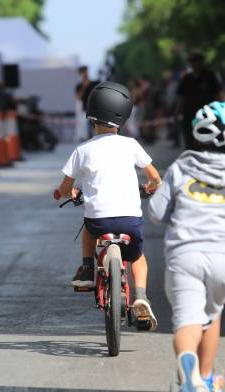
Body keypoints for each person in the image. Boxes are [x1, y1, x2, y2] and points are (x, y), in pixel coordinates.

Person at [146, 101, 225, 392]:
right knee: (211, 315)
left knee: (187, 320)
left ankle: (189, 368)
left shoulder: (181, 167)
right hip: (223, 259)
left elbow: (156, 213)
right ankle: (207, 379)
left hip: (184, 256)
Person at [55, 81, 162, 331]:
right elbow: (155, 177)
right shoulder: (131, 145)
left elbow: (64, 187)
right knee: (137, 257)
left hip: (99, 221)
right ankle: (142, 296)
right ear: (124, 117)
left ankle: (87, 268)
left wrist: (65, 193)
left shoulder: (83, 150)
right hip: (130, 221)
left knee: (88, 228)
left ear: (91, 117)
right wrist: (150, 187)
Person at [176, 52, 223, 149]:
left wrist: (219, 111)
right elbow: (181, 97)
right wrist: (177, 112)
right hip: (189, 115)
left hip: (207, 115)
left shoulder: (210, 76)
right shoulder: (186, 78)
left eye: (197, 61)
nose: (195, 64)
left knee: (208, 141)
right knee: (190, 142)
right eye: (192, 61)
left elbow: (218, 94)